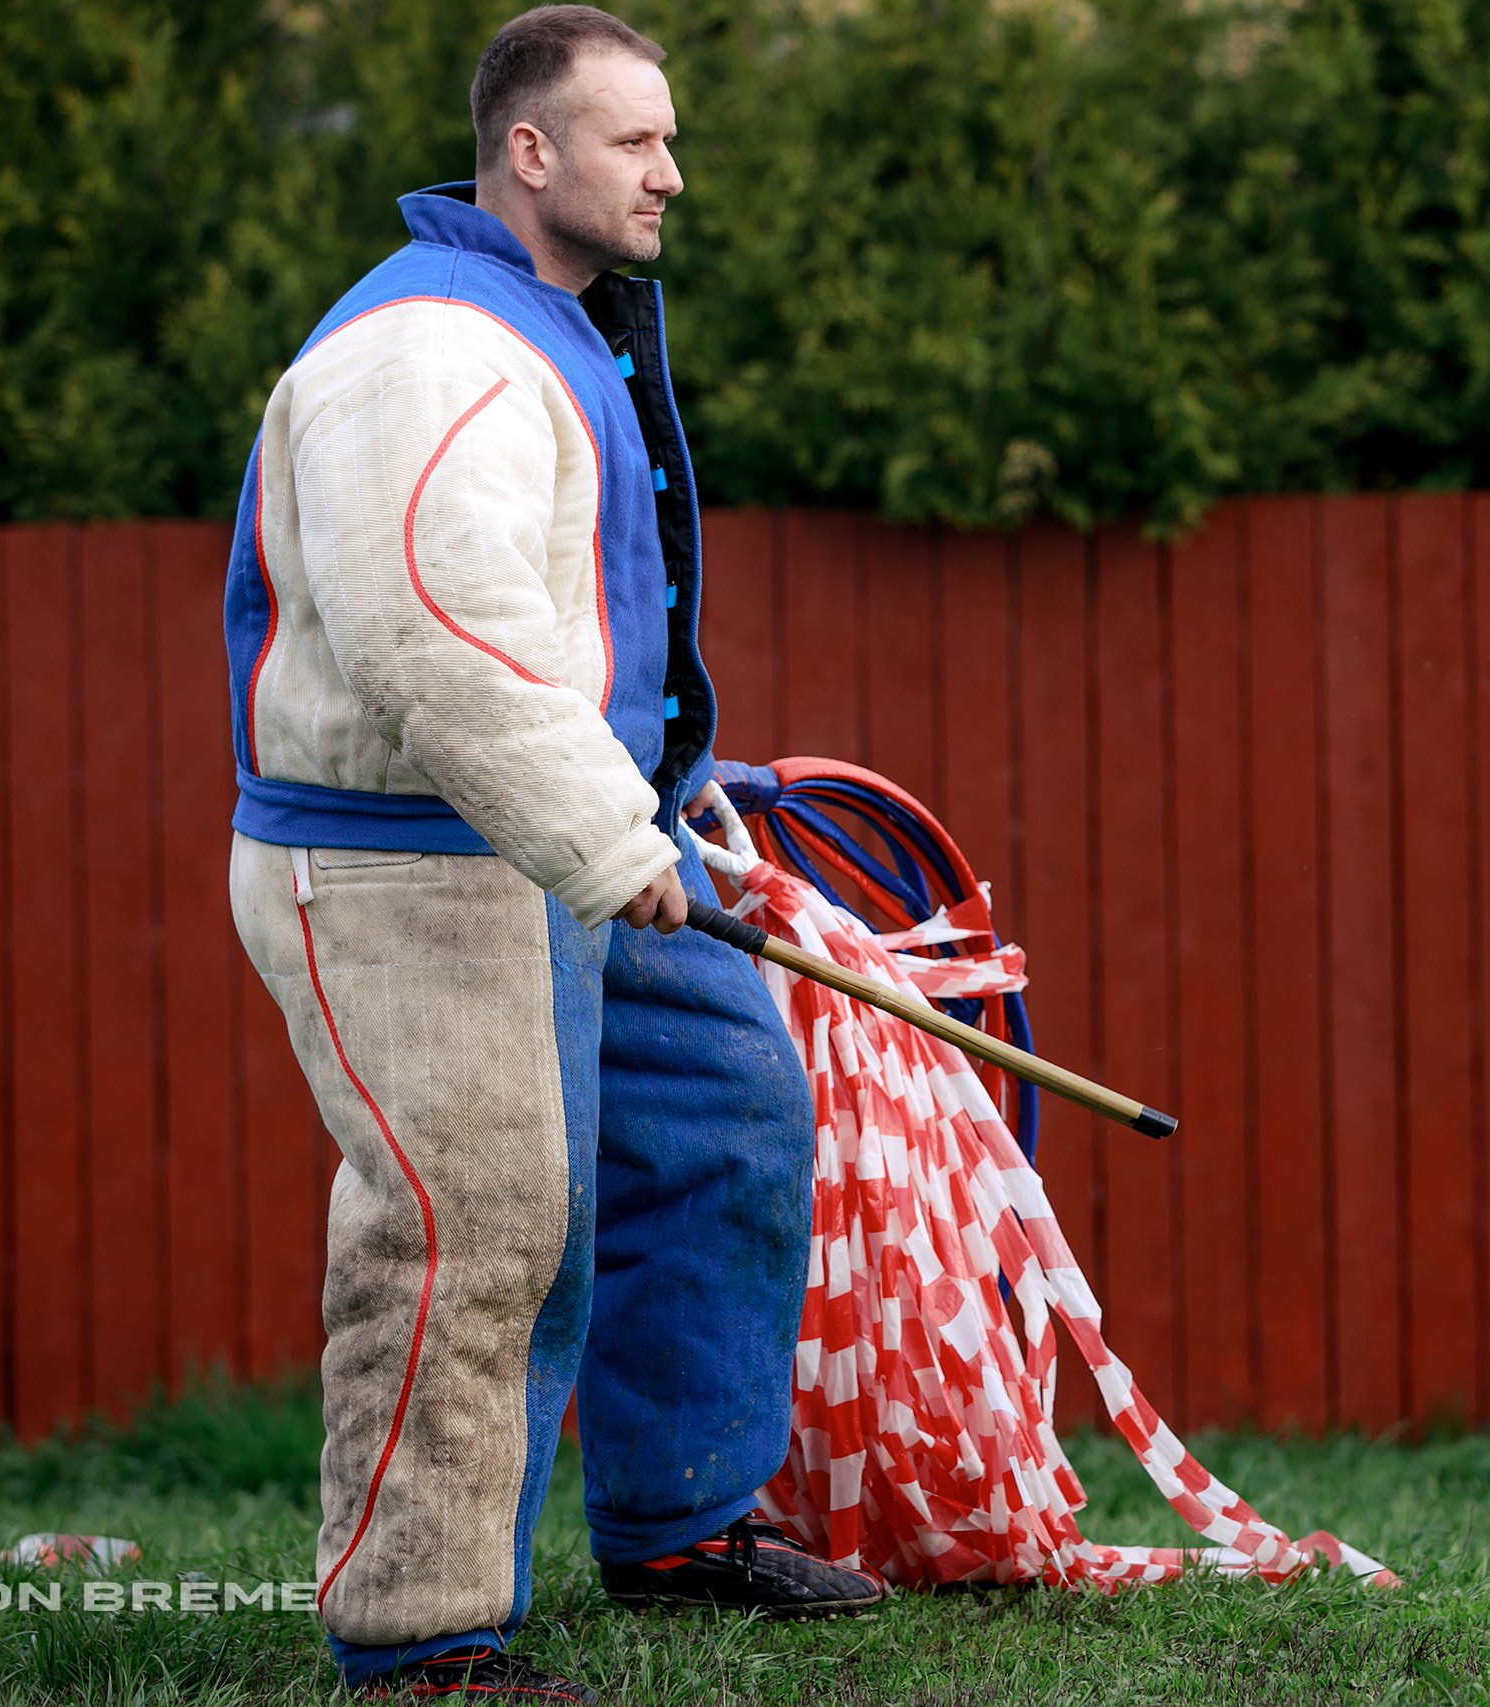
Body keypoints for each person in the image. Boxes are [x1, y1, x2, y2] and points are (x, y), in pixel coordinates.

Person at [218, 8, 886, 1699]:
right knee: (473, 1224)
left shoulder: (556, 326)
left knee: (724, 1122)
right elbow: (429, 626)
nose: (674, 171)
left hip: (583, 835)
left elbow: (567, 621)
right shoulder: (426, 350)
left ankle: (680, 1523)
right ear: (531, 151)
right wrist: (604, 832)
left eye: (669, 139)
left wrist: (667, 796)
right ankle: (422, 1634)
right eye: (637, 140)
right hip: (405, 863)